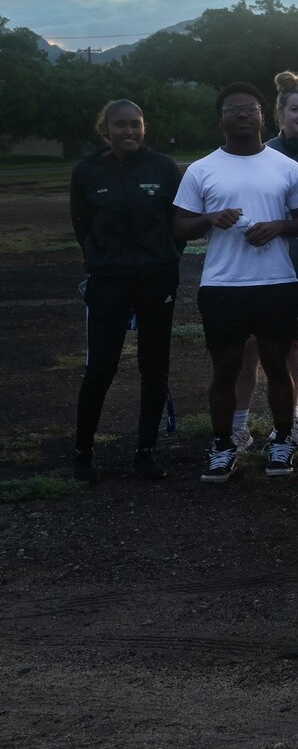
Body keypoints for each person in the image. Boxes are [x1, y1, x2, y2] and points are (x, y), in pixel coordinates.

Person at [172, 84, 298, 481]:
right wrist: (209, 219)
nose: (241, 115)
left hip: (276, 281)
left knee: (276, 363)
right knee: (226, 368)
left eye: (249, 109)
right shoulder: (201, 169)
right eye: (232, 110)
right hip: (222, 284)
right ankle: (222, 445)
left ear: (262, 116)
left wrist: (278, 226)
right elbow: (180, 226)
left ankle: (283, 439)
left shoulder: (286, 167)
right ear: (221, 119)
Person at [68, 98, 182, 483]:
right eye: (121, 125)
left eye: (136, 124)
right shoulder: (87, 171)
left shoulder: (162, 167)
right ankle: (83, 453)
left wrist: (164, 261)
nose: (130, 131)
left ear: (144, 127)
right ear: (107, 129)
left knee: (154, 367)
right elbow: (82, 225)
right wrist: (101, 261)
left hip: (156, 280)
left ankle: (145, 453)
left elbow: (176, 223)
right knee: (100, 368)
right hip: (109, 282)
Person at [232, 71, 298, 454]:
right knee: (252, 344)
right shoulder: (264, 153)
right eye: (296, 109)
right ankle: (238, 425)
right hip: (266, 262)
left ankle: (292, 420)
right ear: (280, 113)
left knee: (294, 341)